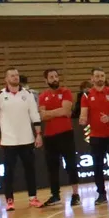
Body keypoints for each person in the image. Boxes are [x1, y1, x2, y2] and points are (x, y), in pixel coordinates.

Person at [0, 67, 43, 211]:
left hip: (27, 139)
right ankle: (9, 200)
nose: (15, 77)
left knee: (30, 170)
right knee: (9, 172)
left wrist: (38, 134)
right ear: (6, 79)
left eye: (16, 75)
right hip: (9, 141)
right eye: (12, 75)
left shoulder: (27, 94)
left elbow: (34, 114)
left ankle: (33, 197)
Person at [80, 68, 109, 205]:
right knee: (98, 167)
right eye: (97, 76)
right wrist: (83, 119)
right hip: (96, 137)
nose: (100, 78)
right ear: (92, 79)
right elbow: (83, 114)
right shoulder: (87, 95)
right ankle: (101, 194)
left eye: (102, 76)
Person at [37, 69, 80, 207]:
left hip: (65, 133)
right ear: (46, 80)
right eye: (51, 77)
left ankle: (75, 194)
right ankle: (55, 195)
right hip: (49, 136)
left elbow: (66, 111)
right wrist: (58, 112)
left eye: (56, 76)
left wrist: (49, 113)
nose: (55, 79)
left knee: (71, 164)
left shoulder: (66, 92)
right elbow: (42, 116)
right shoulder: (43, 96)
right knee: (52, 167)